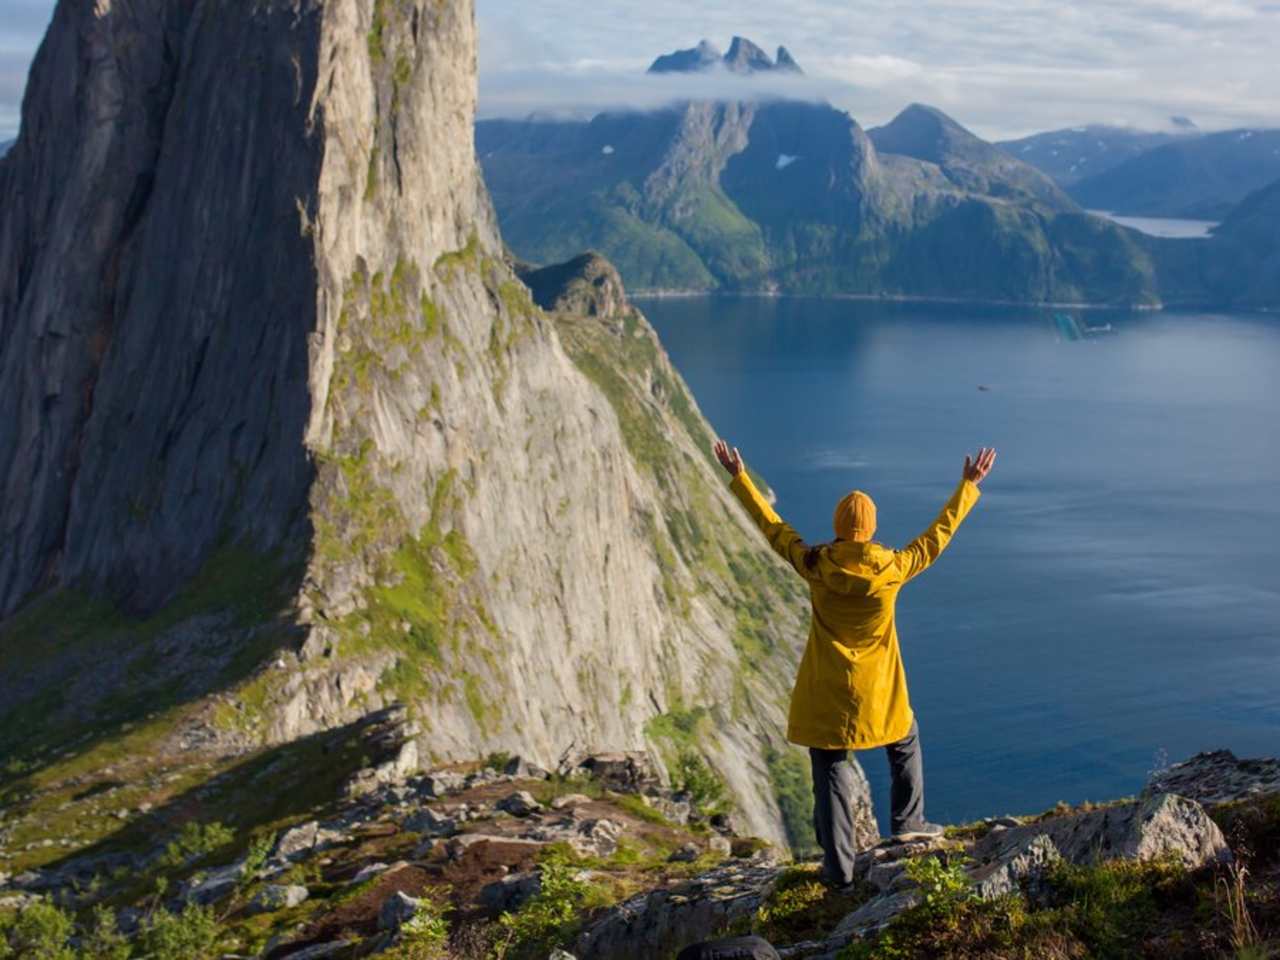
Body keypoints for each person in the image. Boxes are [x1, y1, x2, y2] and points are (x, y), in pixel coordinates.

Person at [713, 439, 996, 889]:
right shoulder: (893, 568)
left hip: (827, 689)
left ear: (839, 528)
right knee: (905, 741)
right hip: (878, 689)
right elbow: (936, 537)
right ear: (872, 529)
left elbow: (773, 528)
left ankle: (838, 870)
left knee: (829, 768)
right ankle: (907, 823)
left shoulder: (815, 563)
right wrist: (967, 487)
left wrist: (739, 477)